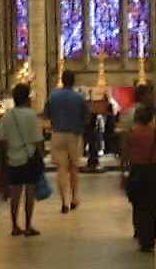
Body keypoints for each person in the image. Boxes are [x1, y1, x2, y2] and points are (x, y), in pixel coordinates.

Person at [0, 83, 44, 237]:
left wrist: (4, 158)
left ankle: (14, 225)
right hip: (29, 158)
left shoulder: (7, 116)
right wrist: (41, 157)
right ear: (27, 98)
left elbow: (1, 140)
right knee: (29, 193)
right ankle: (28, 225)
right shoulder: (31, 115)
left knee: (15, 194)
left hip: (13, 159)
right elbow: (38, 140)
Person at [44, 70, 90, 213]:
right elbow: (86, 117)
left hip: (58, 134)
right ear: (73, 81)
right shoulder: (79, 97)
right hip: (74, 135)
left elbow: (46, 114)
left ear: (62, 80)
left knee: (61, 169)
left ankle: (64, 202)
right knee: (74, 168)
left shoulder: (53, 96)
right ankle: (74, 198)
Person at [125, 105, 156, 253]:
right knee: (153, 206)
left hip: (137, 171)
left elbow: (126, 153)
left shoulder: (132, 134)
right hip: (153, 170)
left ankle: (140, 233)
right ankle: (151, 237)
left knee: (139, 205)